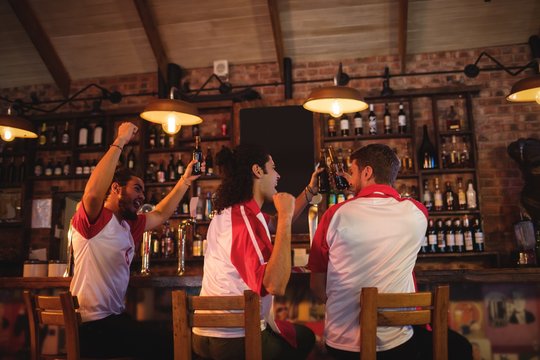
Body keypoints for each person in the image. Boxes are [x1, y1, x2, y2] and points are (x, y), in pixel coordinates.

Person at [308, 143, 472, 360]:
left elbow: (317, 287)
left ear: (367, 172)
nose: (349, 178)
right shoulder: (417, 212)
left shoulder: (334, 214)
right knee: (460, 347)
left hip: (342, 346)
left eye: (353, 172)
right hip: (398, 346)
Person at [69, 122, 199, 359]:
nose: (142, 196)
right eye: (137, 189)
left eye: (143, 191)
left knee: (175, 340)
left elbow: (160, 214)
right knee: (172, 347)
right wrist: (120, 141)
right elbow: (93, 193)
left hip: (114, 319)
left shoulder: (129, 223)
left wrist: (185, 181)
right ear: (116, 188)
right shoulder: (93, 219)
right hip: (93, 325)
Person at [192, 144, 317, 360]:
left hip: (207, 334)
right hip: (232, 339)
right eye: (273, 168)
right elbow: (274, 285)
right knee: (306, 338)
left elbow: (275, 222)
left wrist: (309, 192)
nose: (278, 176)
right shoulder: (243, 221)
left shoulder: (238, 212)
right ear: (258, 171)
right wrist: (286, 218)